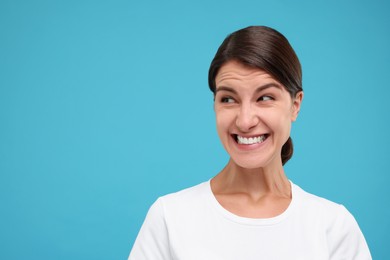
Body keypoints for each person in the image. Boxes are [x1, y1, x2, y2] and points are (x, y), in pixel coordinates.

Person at [128, 26, 371, 260]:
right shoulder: (169, 218)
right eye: (228, 99)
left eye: (265, 97)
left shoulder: (334, 227)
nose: (245, 121)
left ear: (295, 105)